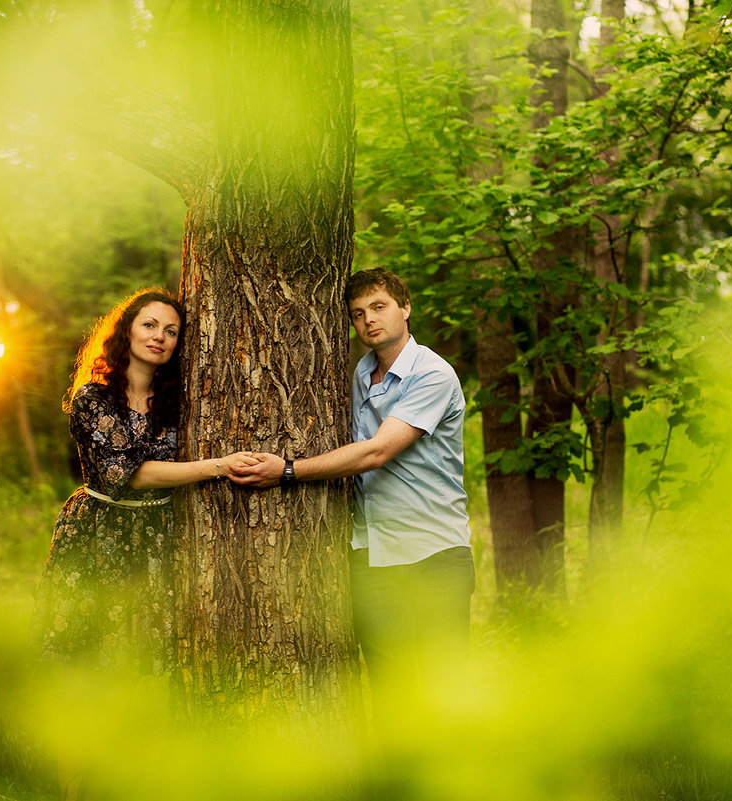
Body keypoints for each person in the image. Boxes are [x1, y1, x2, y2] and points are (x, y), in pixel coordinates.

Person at [35, 287, 256, 800]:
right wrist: (220, 467)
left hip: (159, 541)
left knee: (147, 671)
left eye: (172, 331)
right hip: (98, 539)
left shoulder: (181, 401)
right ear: (127, 331)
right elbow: (124, 475)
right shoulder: (94, 398)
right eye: (150, 325)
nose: (160, 337)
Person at [229, 267, 473, 727]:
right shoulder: (361, 373)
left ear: (405, 307)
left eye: (379, 307)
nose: (368, 321)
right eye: (358, 314)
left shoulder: (433, 373)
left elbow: (378, 451)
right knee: (390, 693)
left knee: (446, 687)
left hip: (433, 553)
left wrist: (286, 471)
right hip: (371, 556)